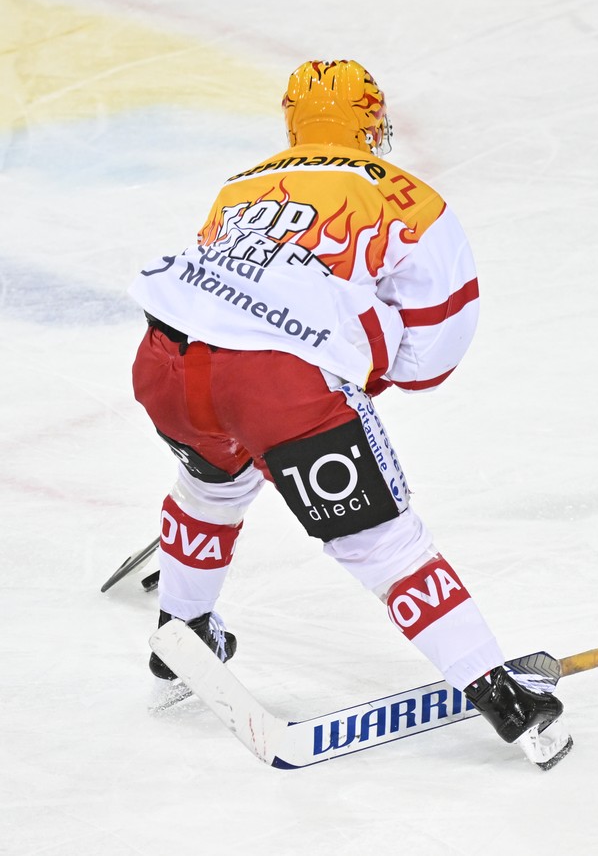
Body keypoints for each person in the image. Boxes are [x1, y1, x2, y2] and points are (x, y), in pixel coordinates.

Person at [129, 60, 571, 763]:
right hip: (279, 387)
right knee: (385, 547)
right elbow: (436, 347)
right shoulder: (408, 196)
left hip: (164, 365)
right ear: (371, 120)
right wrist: (346, 364)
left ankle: (179, 634)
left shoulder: (239, 185)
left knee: (212, 489)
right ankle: (505, 698)